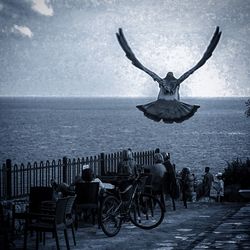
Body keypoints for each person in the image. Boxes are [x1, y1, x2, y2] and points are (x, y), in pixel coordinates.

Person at [116, 27, 221, 123]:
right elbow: (203, 60)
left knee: (136, 62)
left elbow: (134, 61)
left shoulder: (160, 80)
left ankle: (163, 112)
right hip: (175, 103)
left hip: (160, 102)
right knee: (202, 61)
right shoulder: (177, 81)